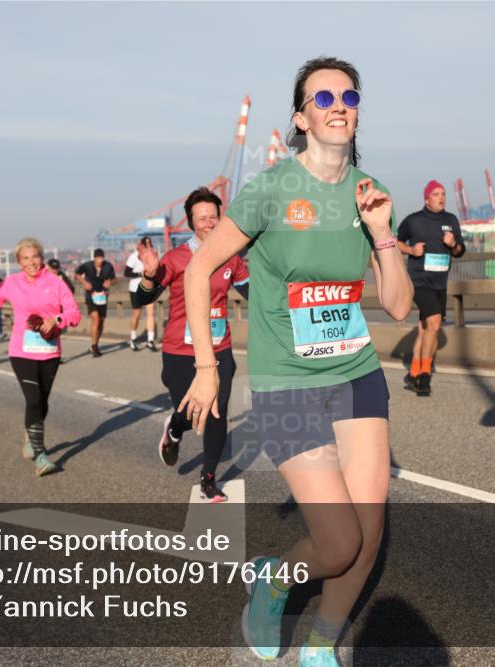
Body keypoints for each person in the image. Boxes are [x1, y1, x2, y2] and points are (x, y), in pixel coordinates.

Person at [178, 57, 412, 665]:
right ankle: (274, 579)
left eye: (349, 95)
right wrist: (207, 367)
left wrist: (382, 232)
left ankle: (319, 647)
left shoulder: (369, 190)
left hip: (356, 375)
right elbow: (200, 269)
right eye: (323, 96)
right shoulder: (272, 189)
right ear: (300, 118)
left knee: (369, 533)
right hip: (287, 385)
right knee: (337, 544)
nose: (339, 104)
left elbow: (397, 305)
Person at [134, 187, 249, 502]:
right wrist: (149, 275)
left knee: (217, 411)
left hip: (218, 347)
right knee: (189, 410)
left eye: (215, 217)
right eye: (203, 219)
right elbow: (141, 298)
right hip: (180, 351)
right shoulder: (177, 258)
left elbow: (254, 293)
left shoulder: (231, 257)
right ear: (191, 223)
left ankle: (209, 478)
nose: (210, 223)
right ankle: (174, 426)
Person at [0, 238, 81, 477]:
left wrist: (57, 320)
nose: (31, 262)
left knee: (42, 403)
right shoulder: (12, 283)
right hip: (21, 352)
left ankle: (29, 438)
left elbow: (74, 313)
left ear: (41, 257)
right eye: (25, 258)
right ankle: (41, 455)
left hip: (50, 351)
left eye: (35, 256)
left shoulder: (55, 282)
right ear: (18, 262)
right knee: (33, 401)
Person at [396, 180, 465, 395]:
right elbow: (393, 242)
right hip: (419, 280)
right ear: (427, 198)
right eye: (436, 194)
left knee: (426, 328)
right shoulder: (414, 220)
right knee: (434, 324)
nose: (441, 197)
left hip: (440, 283)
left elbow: (460, 252)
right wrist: (411, 250)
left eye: (443, 193)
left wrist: (453, 244)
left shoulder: (451, 220)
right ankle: (425, 375)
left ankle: (413, 373)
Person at [75, 248, 116, 358]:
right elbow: (77, 274)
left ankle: (96, 344)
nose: (100, 260)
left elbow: (114, 279)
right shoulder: (87, 266)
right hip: (90, 296)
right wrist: (84, 282)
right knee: (96, 319)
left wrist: (110, 282)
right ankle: (93, 346)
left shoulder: (108, 266)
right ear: (94, 258)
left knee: (101, 321)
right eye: (98, 258)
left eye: (101, 258)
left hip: (103, 297)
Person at [125, 237, 158, 351]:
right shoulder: (133, 256)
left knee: (151, 313)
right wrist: (141, 274)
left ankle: (150, 340)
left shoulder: (153, 255)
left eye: (150, 244)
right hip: (135, 289)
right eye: (146, 244)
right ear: (142, 245)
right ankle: (133, 338)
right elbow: (126, 272)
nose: (149, 246)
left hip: (149, 288)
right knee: (137, 314)